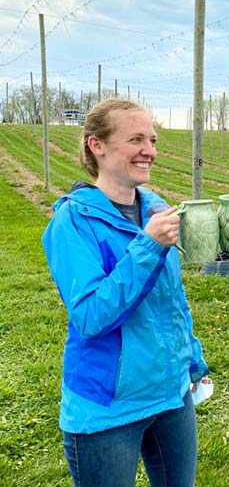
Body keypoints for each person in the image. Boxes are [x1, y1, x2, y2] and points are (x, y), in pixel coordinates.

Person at [42, 99, 210, 487]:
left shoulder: (156, 209)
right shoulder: (72, 221)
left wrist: (191, 359)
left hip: (171, 395)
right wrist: (149, 248)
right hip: (107, 408)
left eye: (151, 139)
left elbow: (171, 301)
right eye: (135, 139)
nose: (149, 150)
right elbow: (90, 316)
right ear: (96, 145)